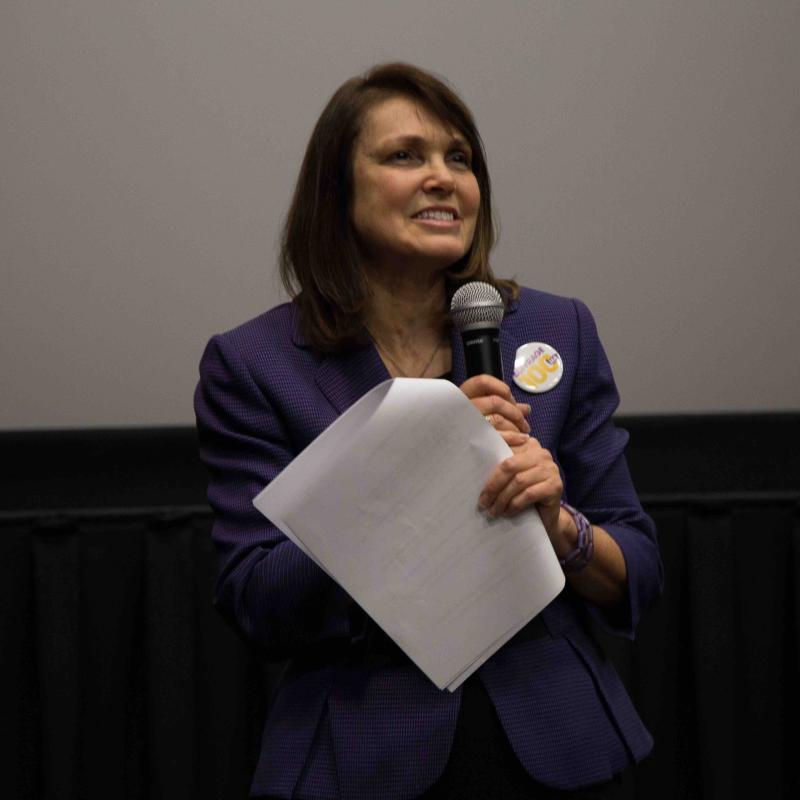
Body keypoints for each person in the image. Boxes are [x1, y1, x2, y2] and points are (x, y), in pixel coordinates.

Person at [194, 63, 663, 800]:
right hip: (364, 753)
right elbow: (256, 600)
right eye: (405, 155)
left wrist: (558, 522)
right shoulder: (254, 365)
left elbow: (636, 570)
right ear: (336, 192)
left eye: (460, 158)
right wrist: (416, 469)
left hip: (560, 745)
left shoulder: (554, 329)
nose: (444, 178)